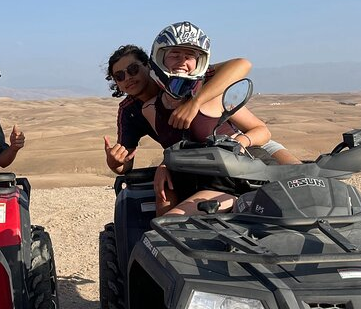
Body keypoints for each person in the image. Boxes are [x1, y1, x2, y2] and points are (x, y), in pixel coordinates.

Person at [141, 21, 292, 215]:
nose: (182, 61)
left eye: (190, 56)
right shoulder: (150, 108)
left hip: (234, 177)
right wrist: (164, 163)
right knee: (162, 228)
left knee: (171, 223)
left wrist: (239, 142)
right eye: (174, 54)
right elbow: (174, 144)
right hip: (196, 179)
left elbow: (262, 130)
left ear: (199, 62)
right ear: (160, 57)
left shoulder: (212, 95)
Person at [103, 44, 299, 177]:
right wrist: (115, 162)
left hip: (251, 142)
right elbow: (125, 163)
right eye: (119, 76)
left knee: (304, 179)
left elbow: (242, 64)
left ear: (148, 65)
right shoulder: (131, 111)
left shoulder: (181, 78)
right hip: (203, 160)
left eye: (133, 69)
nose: (127, 77)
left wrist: (194, 103)